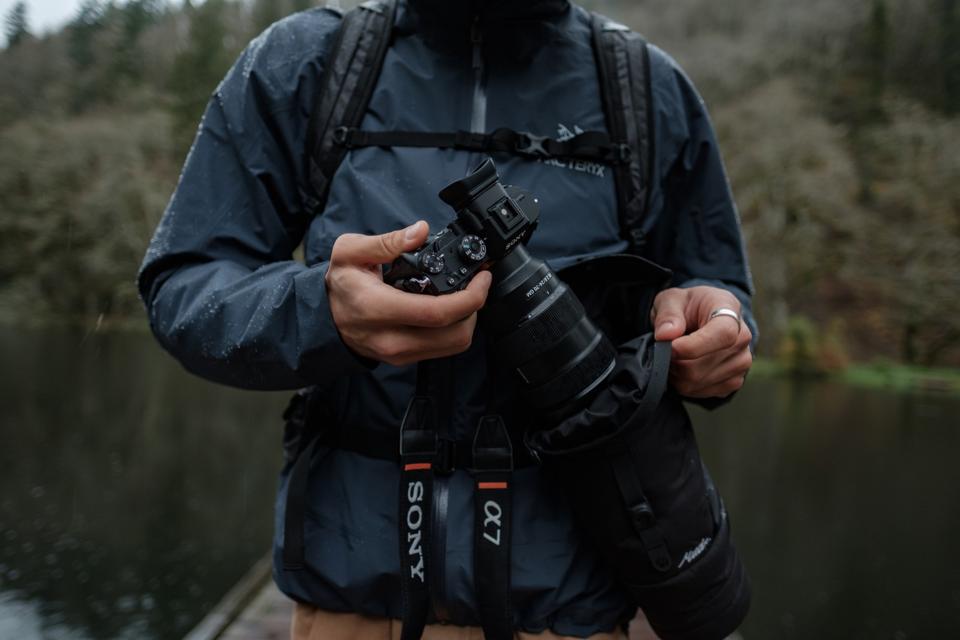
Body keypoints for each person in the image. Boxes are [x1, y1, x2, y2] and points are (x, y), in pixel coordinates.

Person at [138, 1, 756, 638]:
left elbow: (716, 287)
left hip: (572, 615)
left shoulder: (645, 88)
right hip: (351, 613)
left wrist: (713, 330)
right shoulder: (308, 62)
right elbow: (184, 284)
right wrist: (323, 311)